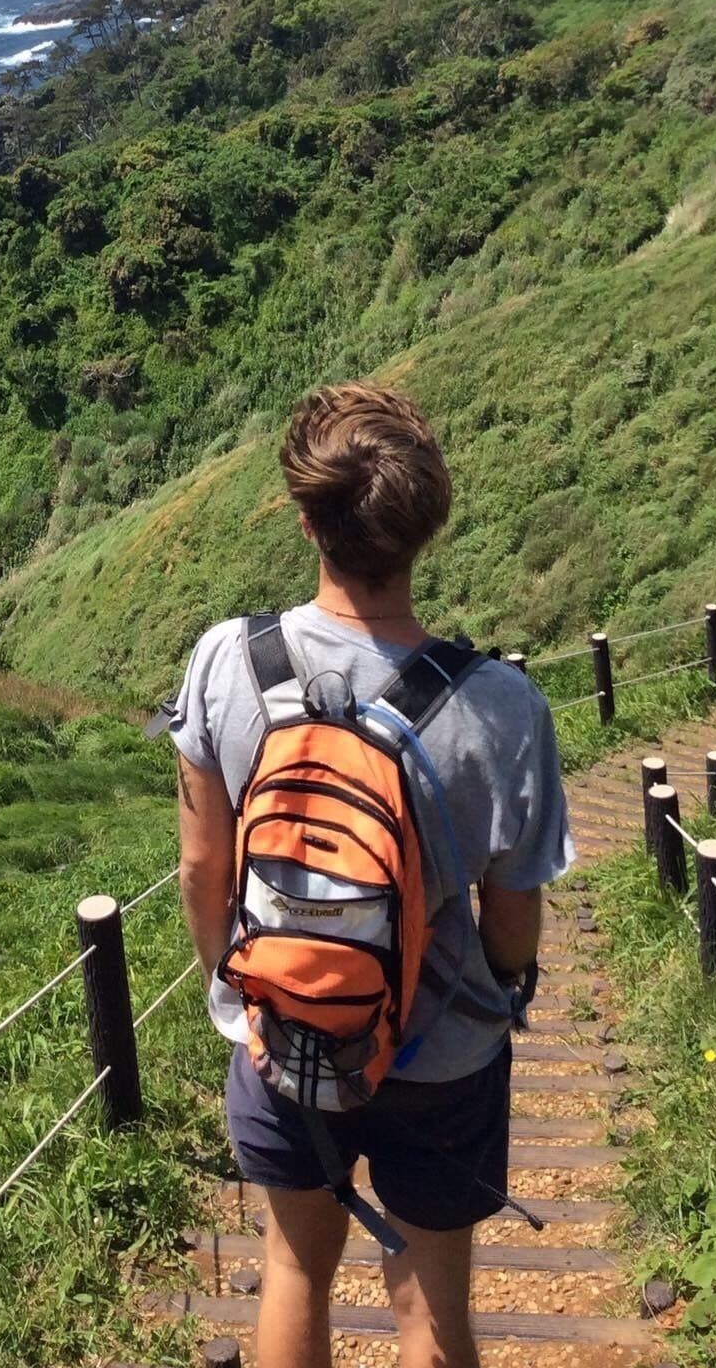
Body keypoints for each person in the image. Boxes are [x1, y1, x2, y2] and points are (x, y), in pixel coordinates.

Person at [169, 382, 573, 1368]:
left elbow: (199, 864)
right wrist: (508, 986)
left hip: (285, 1037)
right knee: (434, 1308)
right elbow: (511, 914)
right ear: (425, 526)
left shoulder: (229, 659)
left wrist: (247, 982)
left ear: (306, 518)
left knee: (296, 1267)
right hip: (442, 1054)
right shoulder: (503, 706)